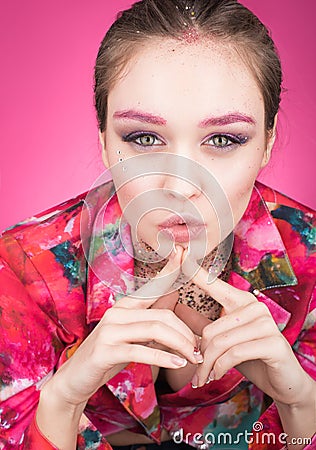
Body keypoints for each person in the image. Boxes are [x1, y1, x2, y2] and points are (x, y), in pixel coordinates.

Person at [0, 0, 315, 449]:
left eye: (223, 139)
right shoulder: (21, 271)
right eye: (145, 138)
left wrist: (301, 403)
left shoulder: (313, 268)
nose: (180, 185)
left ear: (266, 143)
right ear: (105, 141)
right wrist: (62, 401)